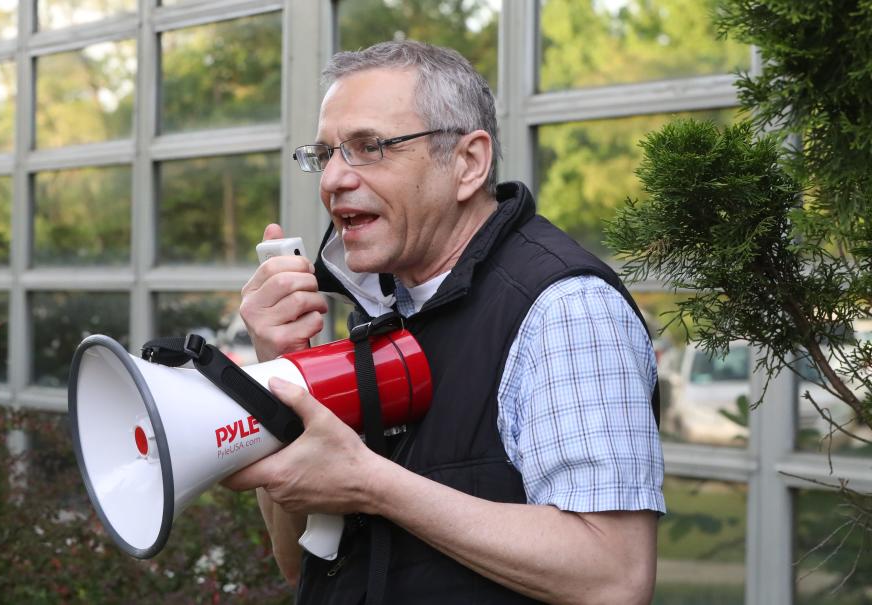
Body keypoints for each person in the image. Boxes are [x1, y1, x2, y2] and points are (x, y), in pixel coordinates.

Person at [223, 40, 665, 604]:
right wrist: (275, 376)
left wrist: (373, 484)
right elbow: (301, 565)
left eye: (369, 147)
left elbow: (613, 575)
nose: (332, 178)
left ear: (468, 163)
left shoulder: (565, 307)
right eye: (325, 153)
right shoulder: (381, 305)